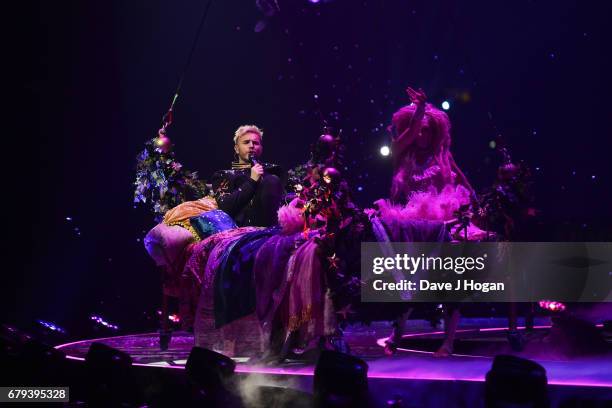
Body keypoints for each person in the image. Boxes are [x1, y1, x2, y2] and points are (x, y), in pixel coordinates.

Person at [390, 87, 474, 206]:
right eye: (417, 131)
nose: (420, 134)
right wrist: (420, 109)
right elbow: (411, 131)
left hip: (444, 217)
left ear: (433, 132)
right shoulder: (402, 154)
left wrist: (476, 202)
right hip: (414, 219)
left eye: (425, 130)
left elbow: (461, 179)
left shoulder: (441, 155)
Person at [211, 125, 285, 227]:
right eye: (246, 142)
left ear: (261, 148)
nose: (251, 146)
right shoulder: (223, 175)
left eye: (255, 143)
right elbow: (226, 207)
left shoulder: (273, 171)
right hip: (244, 229)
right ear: (236, 149)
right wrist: (252, 181)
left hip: (275, 226)